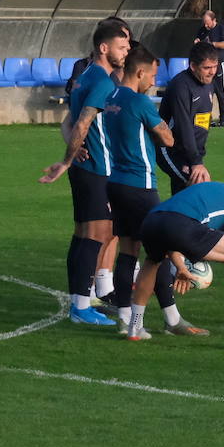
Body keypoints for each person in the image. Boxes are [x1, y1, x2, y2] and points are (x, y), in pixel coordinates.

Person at [101, 43, 209, 340]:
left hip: (116, 182)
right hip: (140, 185)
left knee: (128, 252)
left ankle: (127, 318)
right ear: (139, 72)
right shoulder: (139, 103)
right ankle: (169, 319)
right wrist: (160, 129)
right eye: (152, 76)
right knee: (156, 253)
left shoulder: (111, 98)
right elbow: (169, 138)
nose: (154, 82)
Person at [39, 18, 131, 326]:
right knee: (97, 234)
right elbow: (81, 124)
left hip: (86, 167)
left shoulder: (85, 76)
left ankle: (80, 301)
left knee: (83, 235)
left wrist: (70, 157)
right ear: (104, 48)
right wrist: (67, 160)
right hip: (97, 169)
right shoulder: (102, 81)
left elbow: (70, 123)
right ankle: (80, 306)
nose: (127, 50)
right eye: (122, 46)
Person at [129, 182, 224, 350]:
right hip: (180, 223)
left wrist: (181, 267)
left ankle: (134, 328)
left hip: (152, 221)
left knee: (152, 262)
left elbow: (172, 235)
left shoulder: (216, 199)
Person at [157, 41, 218, 195]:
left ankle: (174, 218)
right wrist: (196, 162)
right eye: (207, 68)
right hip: (170, 150)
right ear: (193, 66)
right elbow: (183, 126)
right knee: (198, 187)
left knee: (182, 199)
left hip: (191, 153)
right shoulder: (181, 86)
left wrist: (198, 156)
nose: (212, 72)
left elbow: (202, 123)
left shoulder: (208, 83)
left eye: (214, 66)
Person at [194, 9, 224, 126]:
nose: (205, 25)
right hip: (205, 66)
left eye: (207, 22)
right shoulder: (202, 30)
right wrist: (197, 42)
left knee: (221, 92)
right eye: (204, 22)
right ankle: (208, 119)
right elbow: (199, 42)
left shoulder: (222, 29)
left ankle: (223, 120)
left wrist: (212, 44)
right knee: (206, 92)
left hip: (219, 65)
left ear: (214, 20)